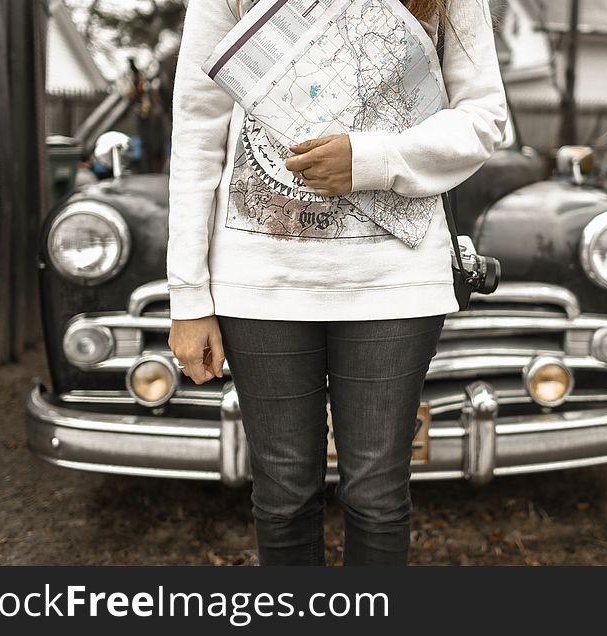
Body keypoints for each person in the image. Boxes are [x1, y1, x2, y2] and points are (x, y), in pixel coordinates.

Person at [167, 0, 508, 565]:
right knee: (282, 496)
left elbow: (483, 115)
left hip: (393, 280)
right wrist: (188, 297)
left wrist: (375, 159)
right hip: (260, 283)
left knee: (376, 496)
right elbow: (197, 129)